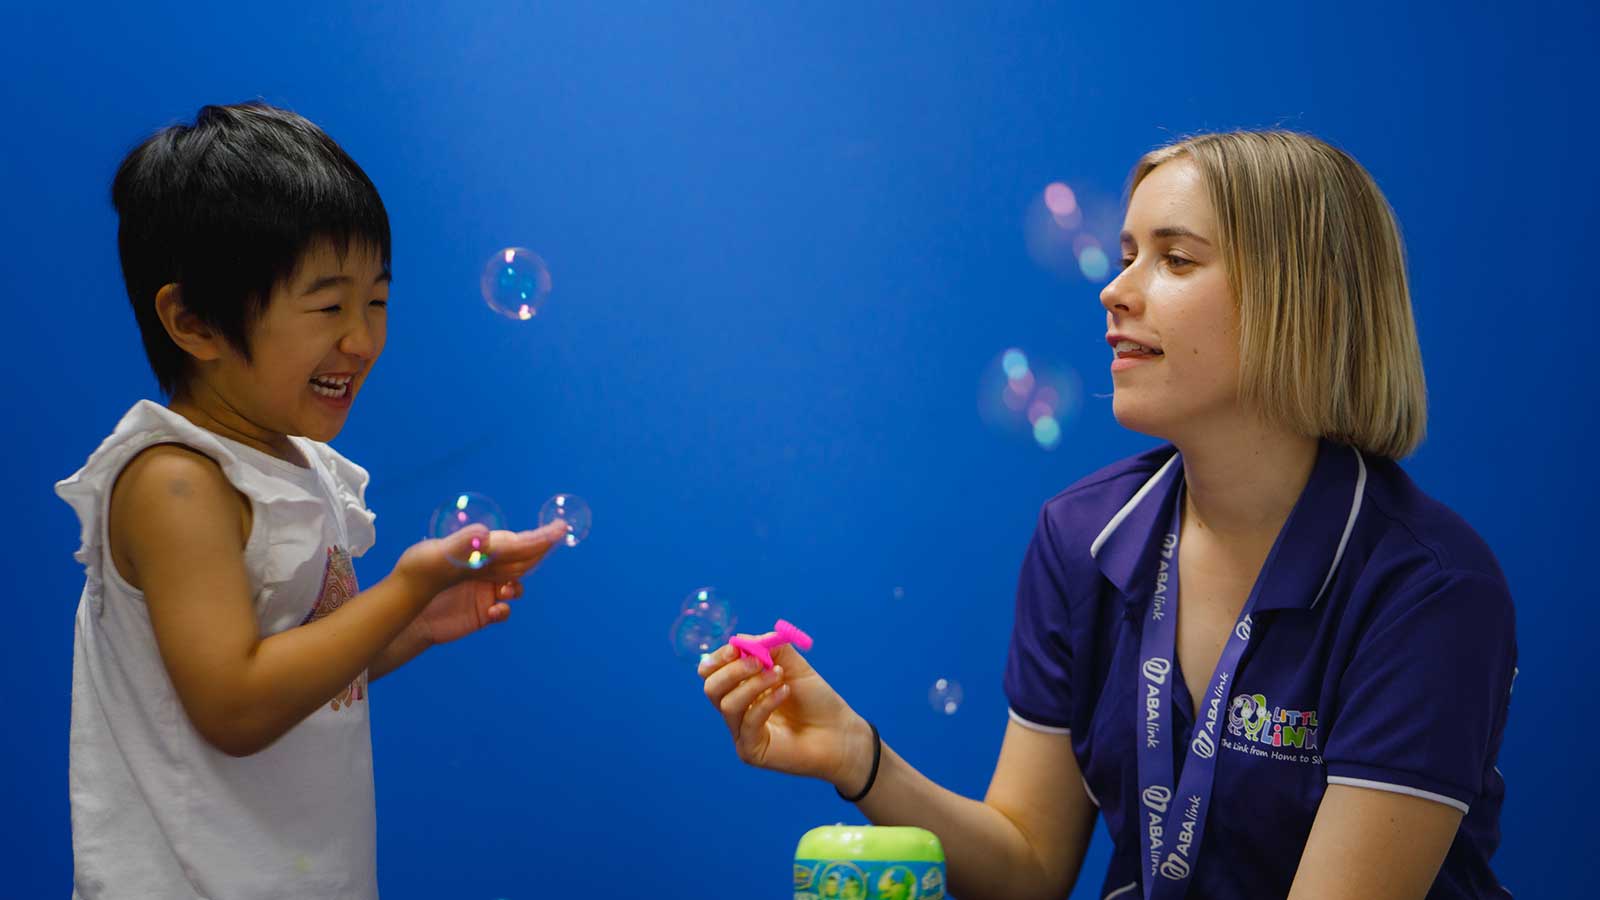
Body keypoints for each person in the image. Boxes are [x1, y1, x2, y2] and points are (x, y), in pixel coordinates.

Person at [699, 130, 1516, 899]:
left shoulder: (1429, 591)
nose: (1115, 290)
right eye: (1127, 255)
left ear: (1302, 302)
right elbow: (1026, 863)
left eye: (1175, 259)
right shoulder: (1080, 537)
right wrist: (861, 759)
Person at [55, 101, 568, 899]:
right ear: (192, 321)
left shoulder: (297, 464)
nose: (362, 339)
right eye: (328, 306)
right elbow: (236, 705)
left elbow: (303, 668)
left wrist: (411, 623)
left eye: (377, 301)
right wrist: (404, 585)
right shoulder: (177, 482)